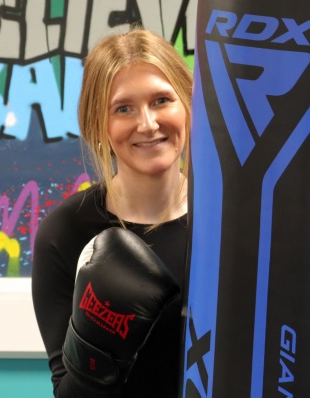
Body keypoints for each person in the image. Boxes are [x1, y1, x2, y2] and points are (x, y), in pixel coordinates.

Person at [31, 27, 193, 397]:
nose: (148, 124)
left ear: (186, 105)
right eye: (123, 108)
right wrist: (98, 349)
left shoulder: (230, 221)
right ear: (99, 126)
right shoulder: (66, 233)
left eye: (161, 100)